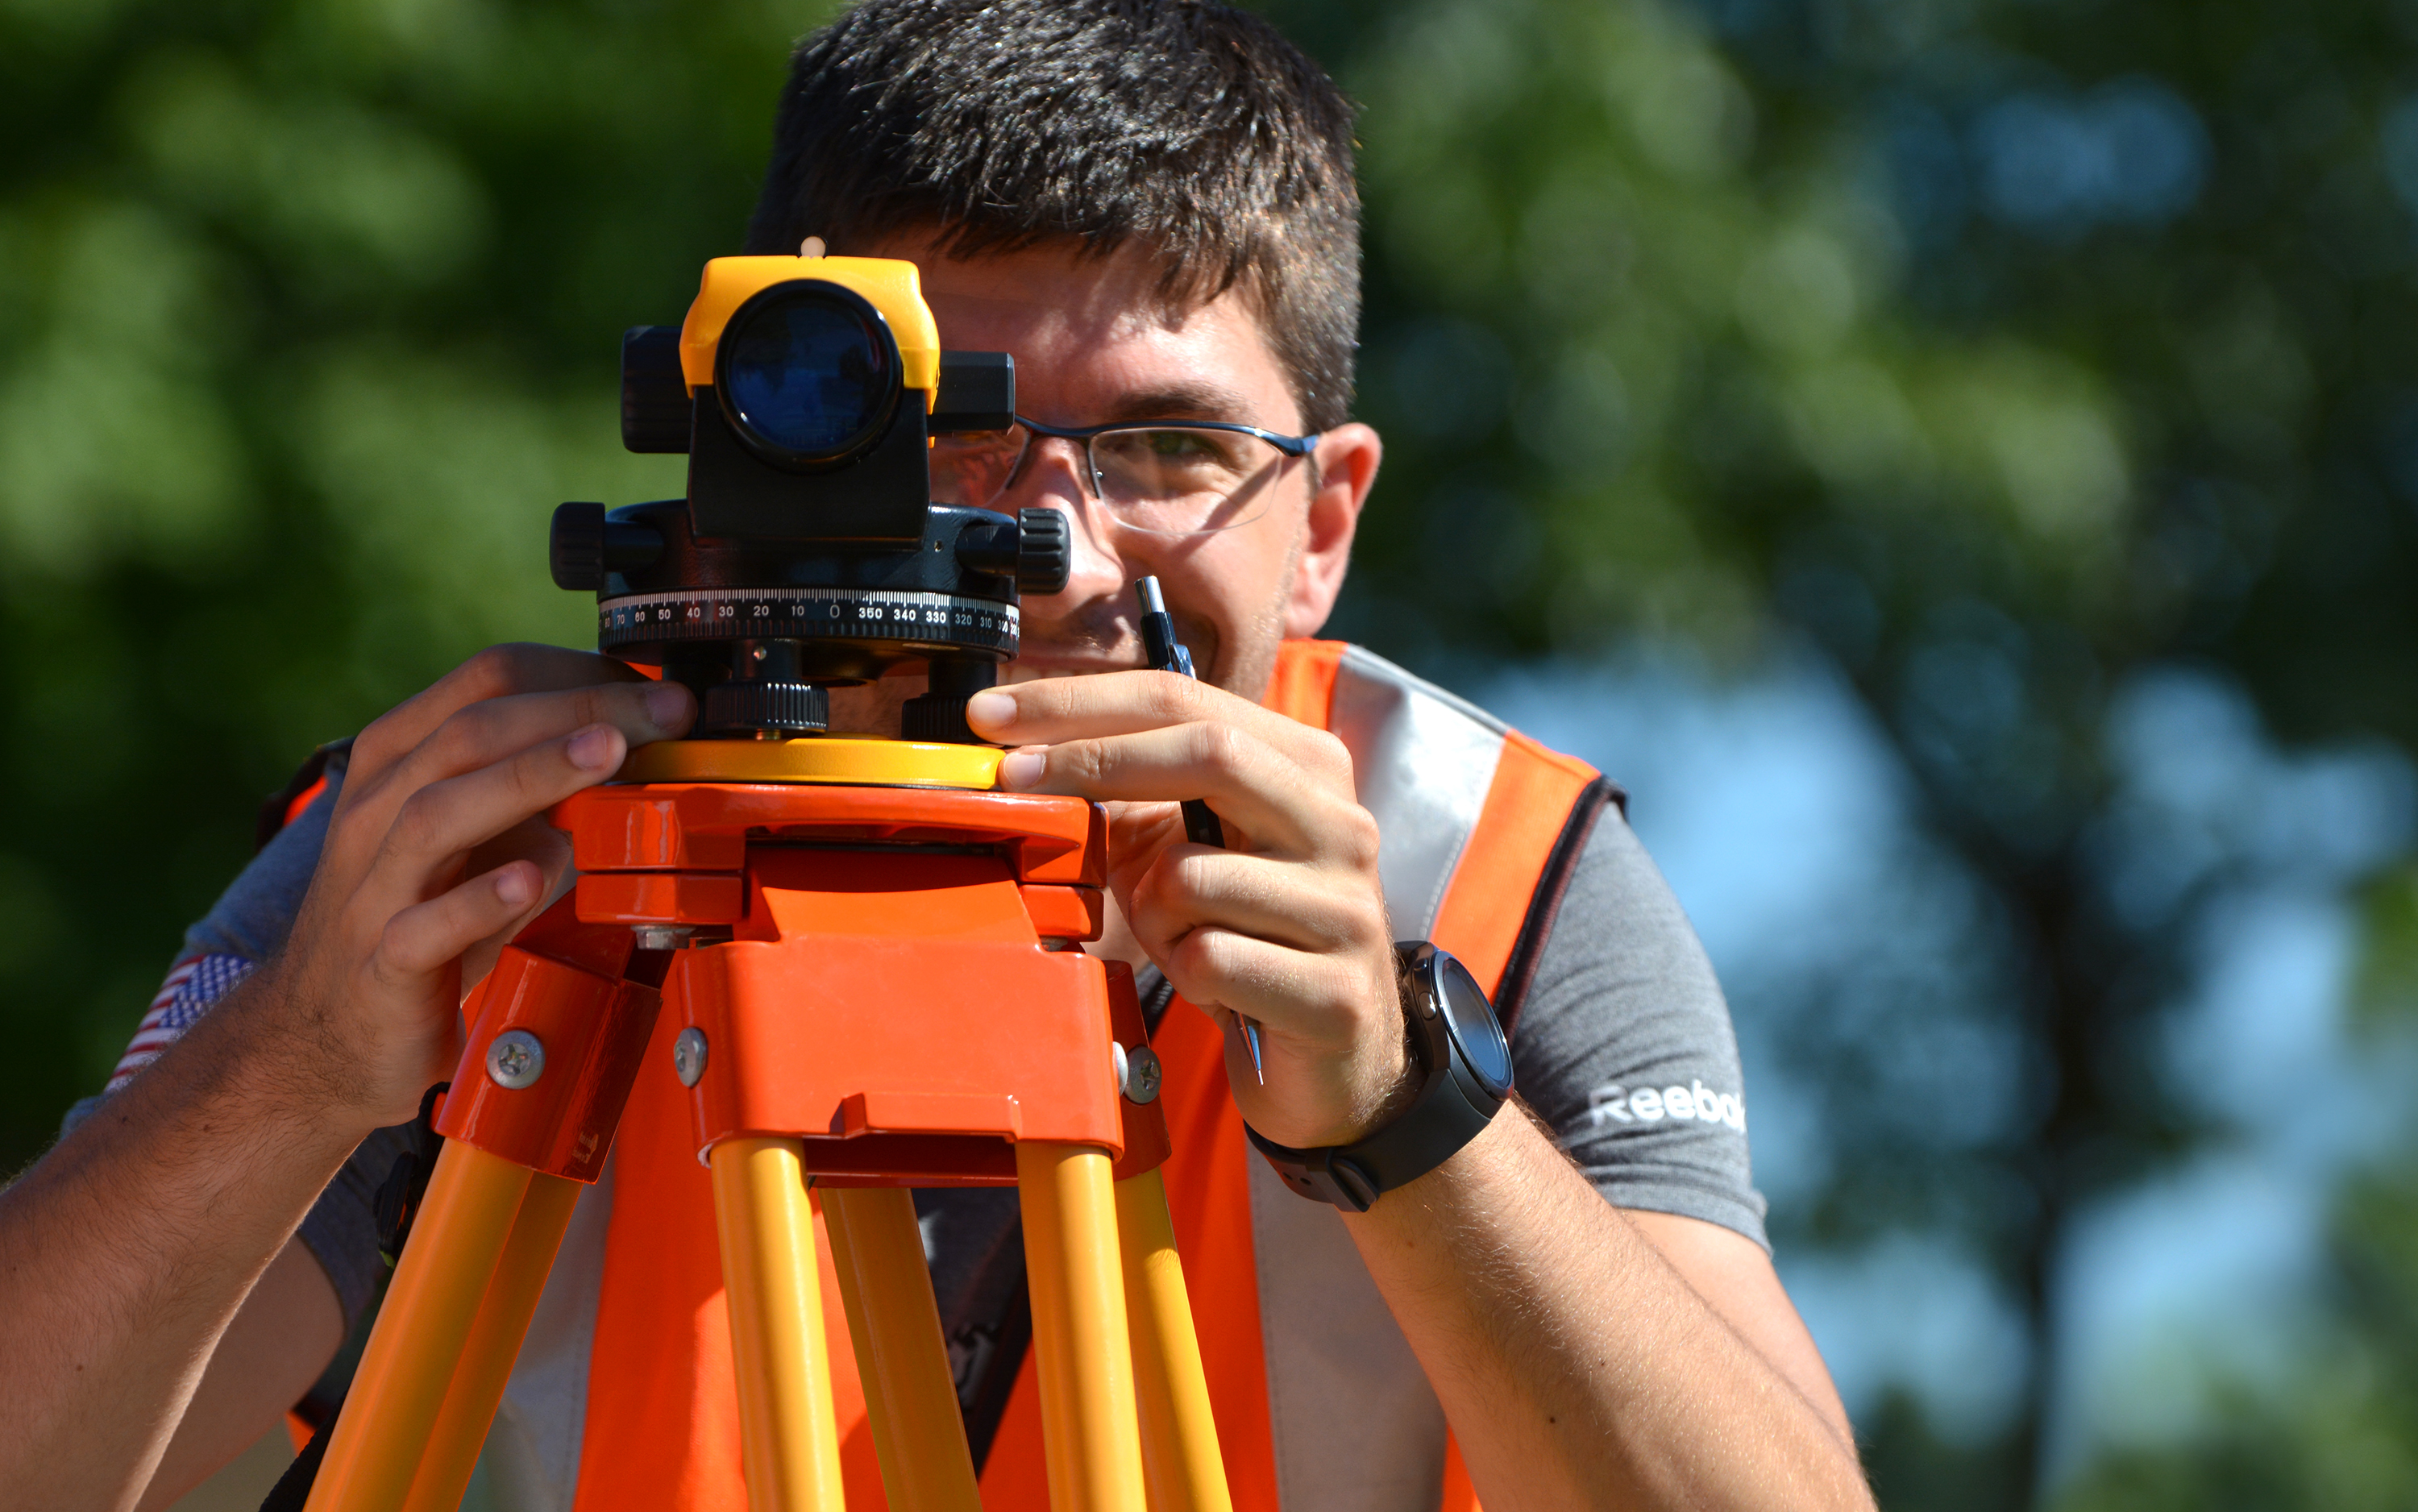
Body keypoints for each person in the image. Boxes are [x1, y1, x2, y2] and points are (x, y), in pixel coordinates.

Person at [0, 3, 1875, 1510]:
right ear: (757, 426)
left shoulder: (1481, 869)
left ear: (1323, 520)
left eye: (1162, 448)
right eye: (943, 428)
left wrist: (1407, 1102)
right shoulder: (499, 853)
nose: (1051, 549)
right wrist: (293, 1066)